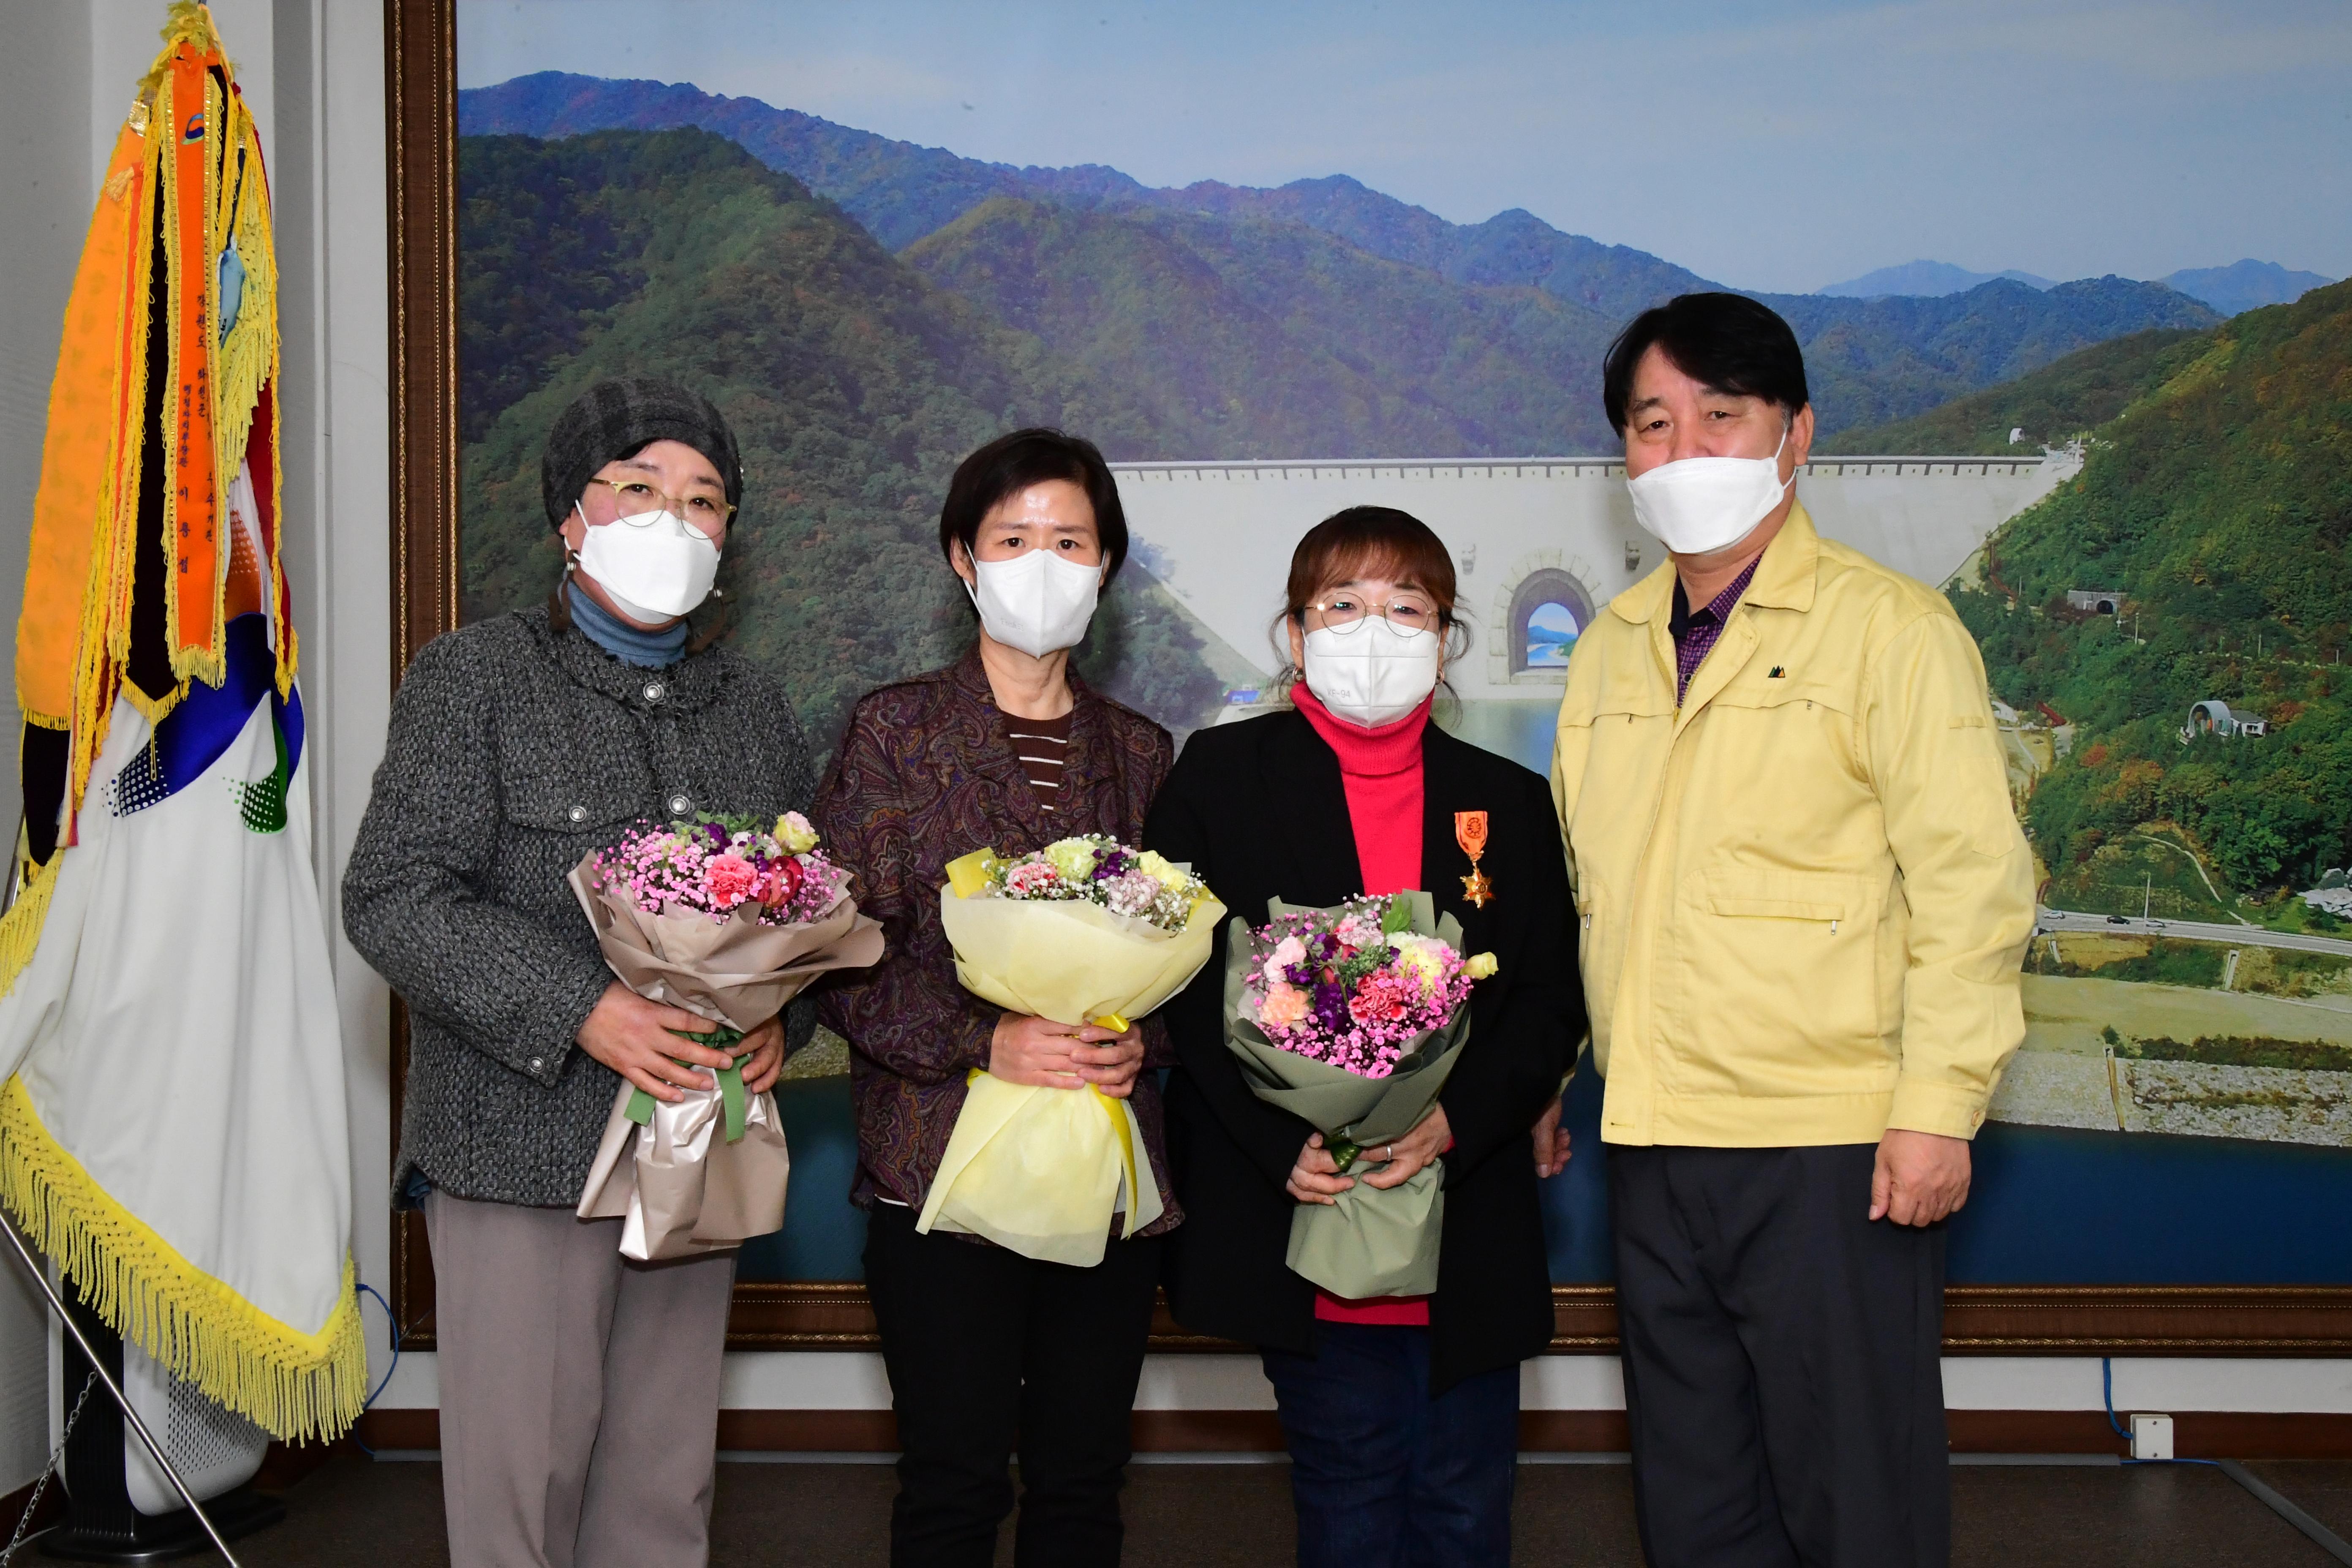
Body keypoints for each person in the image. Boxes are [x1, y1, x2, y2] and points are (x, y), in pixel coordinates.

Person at [1552, 293, 2036, 1566]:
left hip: (1831, 1145)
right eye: (1654, 424)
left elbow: (1972, 886)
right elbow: (1587, 892)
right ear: (1625, 458)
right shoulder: (1607, 652)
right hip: (1655, 1137)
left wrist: (1937, 1104)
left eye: (1723, 415)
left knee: (1853, 1496)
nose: (1687, 449)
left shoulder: (1893, 631)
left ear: (1795, 433)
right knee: (1694, 1490)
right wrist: (1554, 1081)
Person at [344, 378, 816, 1568]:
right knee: (525, 1490)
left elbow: (800, 908)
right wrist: (583, 1008)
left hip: (697, 1145)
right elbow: (392, 894)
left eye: (705, 501)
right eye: (640, 489)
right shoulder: (474, 677)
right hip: (520, 1144)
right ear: (571, 515)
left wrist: (780, 1025)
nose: (675, 519)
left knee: (665, 1485)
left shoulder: (753, 707)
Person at [1144, 506, 1583, 1568]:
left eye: (1405, 607)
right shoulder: (1218, 776)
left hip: (1465, 1207)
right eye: (1341, 605)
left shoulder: (1509, 801)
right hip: (1306, 1205)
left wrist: (1453, 1122)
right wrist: (1274, 1142)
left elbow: (1548, 999)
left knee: (1466, 1502)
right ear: (1296, 632)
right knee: (1348, 1492)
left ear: (1446, 637)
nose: (1372, 629)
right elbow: (1182, 985)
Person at [810, 428, 1176, 1568]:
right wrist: (988, 1038)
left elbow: (1187, 951)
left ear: (1106, 563)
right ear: (962, 559)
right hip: (940, 1169)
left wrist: (1140, 1042)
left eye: (1070, 540)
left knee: (1082, 1479)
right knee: (953, 1481)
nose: (1043, 562)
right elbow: (837, 953)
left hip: (1107, 1171)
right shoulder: (894, 731)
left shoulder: (1144, 751)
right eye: (1014, 539)